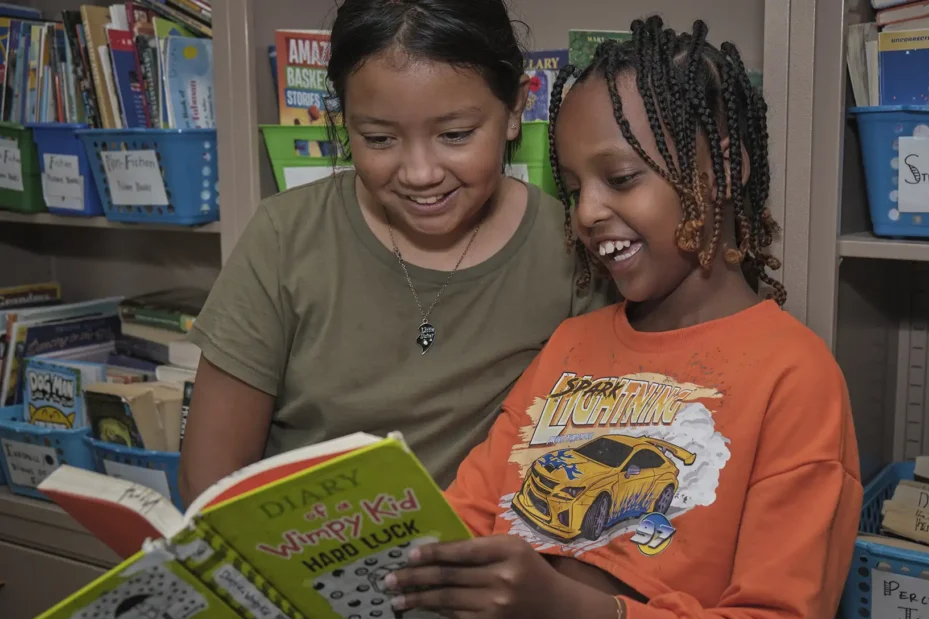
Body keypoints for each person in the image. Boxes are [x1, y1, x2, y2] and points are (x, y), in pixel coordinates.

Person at [376, 16, 863, 619]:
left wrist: (562, 610)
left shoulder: (795, 375)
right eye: (575, 188)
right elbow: (471, 512)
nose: (586, 212)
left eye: (622, 177)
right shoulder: (572, 346)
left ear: (727, 162)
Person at [180, 0, 614, 506]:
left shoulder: (570, 246)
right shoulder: (284, 237)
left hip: (480, 572)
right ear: (343, 121)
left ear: (516, 109)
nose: (420, 173)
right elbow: (209, 485)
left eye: (455, 135)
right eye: (380, 138)